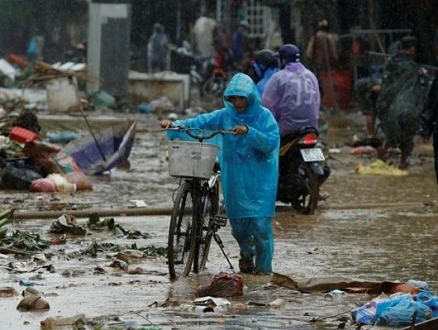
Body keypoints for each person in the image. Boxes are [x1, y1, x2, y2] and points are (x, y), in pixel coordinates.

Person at [160, 72, 280, 275]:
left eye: (241, 97)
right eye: (234, 98)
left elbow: (270, 142)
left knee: (261, 227)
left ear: (250, 97)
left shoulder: (264, 117)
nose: (238, 102)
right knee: (239, 228)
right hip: (234, 179)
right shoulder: (224, 116)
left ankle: (264, 273)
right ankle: (246, 254)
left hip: (260, 181)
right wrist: (175, 125)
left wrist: (249, 132)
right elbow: (201, 123)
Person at [262, 43, 330, 199]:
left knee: (265, 150)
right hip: (311, 128)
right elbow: (317, 101)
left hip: (287, 128)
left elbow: (267, 105)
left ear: (283, 60)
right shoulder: (311, 75)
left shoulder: (278, 78)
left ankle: (269, 185)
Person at [375, 36, 429, 169]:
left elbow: (386, 84)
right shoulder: (412, 67)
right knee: (407, 137)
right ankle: (403, 162)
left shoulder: (392, 63)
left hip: (388, 108)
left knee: (390, 133)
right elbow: (415, 91)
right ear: (412, 48)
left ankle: (383, 152)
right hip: (405, 109)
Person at [305, 19, 338, 101]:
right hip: (327, 64)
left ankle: (320, 101)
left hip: (317, 63)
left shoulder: (315, 37)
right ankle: (328, 100)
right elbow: (333, 52)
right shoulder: (329, 37)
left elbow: (309, 53)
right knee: (326, 82)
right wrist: (335, 60)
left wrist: (311, 60)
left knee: (318, 83)